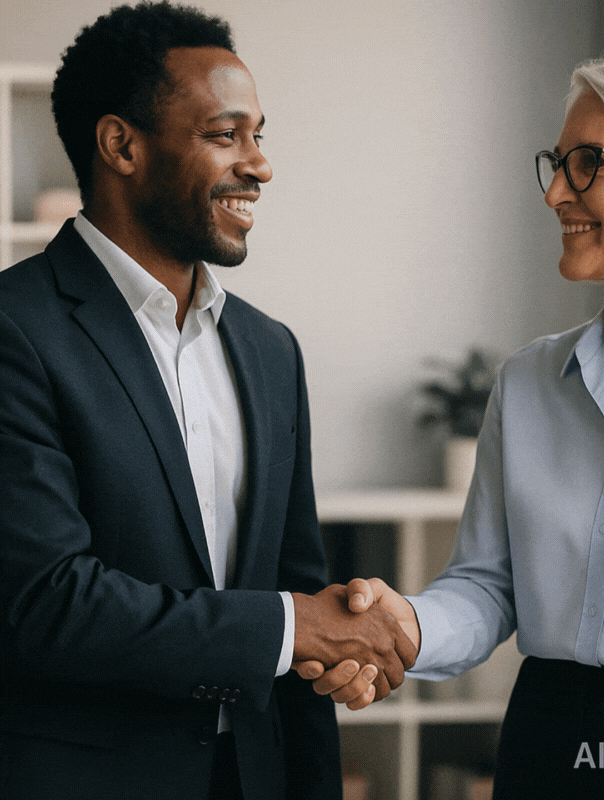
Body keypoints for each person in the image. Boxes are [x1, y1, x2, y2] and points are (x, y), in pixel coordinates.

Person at [300, 48, 604, 798]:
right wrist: (403, 624)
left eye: (590, 162)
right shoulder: (530, 381)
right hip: (545, 750)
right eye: (558, 163)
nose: (556, 192)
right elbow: (488, 586)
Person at [0, 3, 415, 799]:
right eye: (226, 135)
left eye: (259, 135)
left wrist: (336, 648)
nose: (259, 164)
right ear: (121, 144)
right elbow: (45, 602)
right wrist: (298, 627)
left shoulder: (269, 349)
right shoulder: (17, 330)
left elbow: (299, 582)